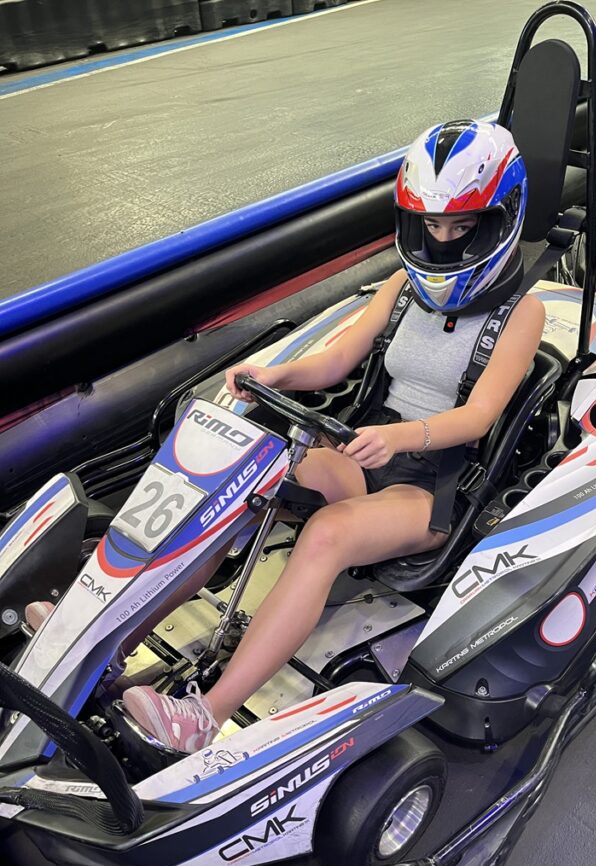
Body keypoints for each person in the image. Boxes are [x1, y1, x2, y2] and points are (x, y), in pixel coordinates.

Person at [122, 119, 545, 753]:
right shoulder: (403, 286)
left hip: (431, 485)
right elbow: (339, 359)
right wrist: (275, 374)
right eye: (431, 225)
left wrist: (401, 438)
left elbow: (480, 416)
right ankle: (114, 643)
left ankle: (203, 718)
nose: (442, 239)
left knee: (326, 534)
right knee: (241, 480)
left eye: (461, 227)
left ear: (499, 220)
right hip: (364, 449)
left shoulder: (522, 313)